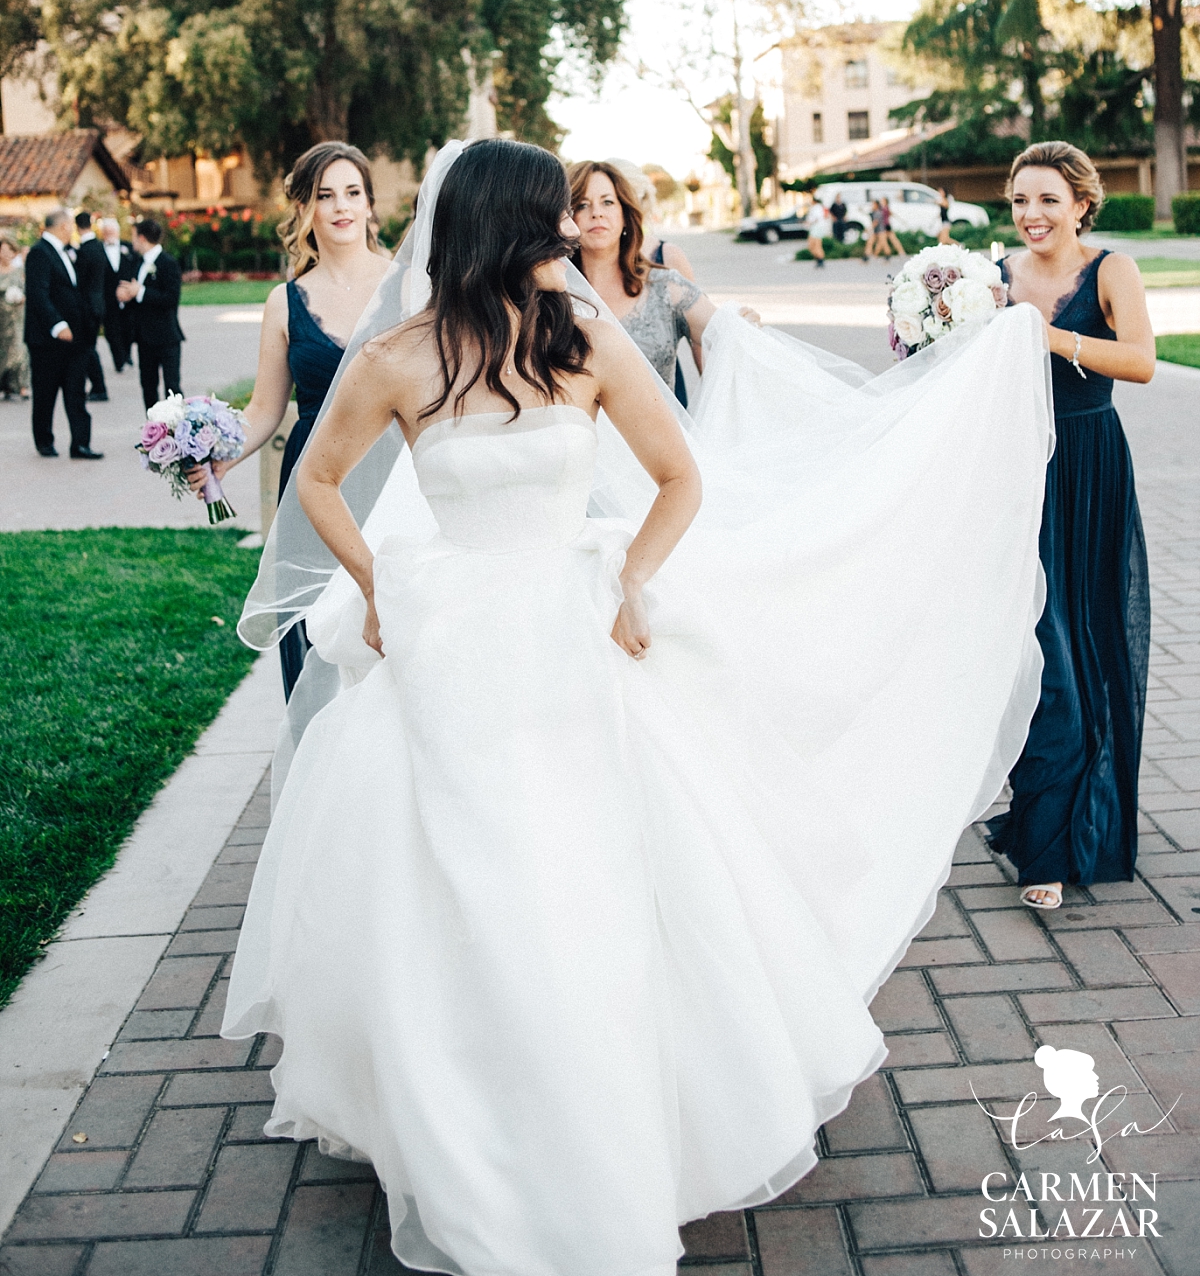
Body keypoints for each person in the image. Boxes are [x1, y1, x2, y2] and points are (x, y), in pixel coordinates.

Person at [226, 138, 1055, 1276]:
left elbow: (681, 478)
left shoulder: (587, 343)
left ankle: (599, 1108)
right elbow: (317, 481)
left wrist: (630, 581)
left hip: (569, 635)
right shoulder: (399, 360)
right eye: (547, 216)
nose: (567, 232)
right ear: (503, 224)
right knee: (449, 870)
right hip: (450, 637)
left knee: (588, 868)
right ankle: (466, 1112)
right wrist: (378, 585)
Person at [987, 142, 1154, 911]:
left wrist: (1048, 337)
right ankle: (1044, 845)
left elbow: (1145, 363)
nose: (1032, 214)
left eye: (1048, 199)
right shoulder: (994, 277)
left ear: (1081, 203)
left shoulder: (1110, 269)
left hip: (1090, 464)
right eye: (1021, 199)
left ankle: (1092, 823)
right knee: (1045, 648)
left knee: (1092, 640)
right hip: (1023, 468)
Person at [186, 142, 392, 696]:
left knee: (394, 624)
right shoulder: (285, 301)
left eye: (353, 193)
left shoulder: (409, 288)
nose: (341, 207)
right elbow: (264, 408)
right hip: (312, 482)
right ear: (305, 208)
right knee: (316, 634)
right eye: (325, 196)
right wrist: (218, 460)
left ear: (371, 205)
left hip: (395, 475)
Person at [567, 159, 721, 396]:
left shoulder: (665, 285)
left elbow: (719, 339)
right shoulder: (552, 293)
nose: (596, 213)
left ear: (625, 214)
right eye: (582, 205)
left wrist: (738, 323)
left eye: (607, 202)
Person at [22, 208, 102, 459]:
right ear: (63, 226)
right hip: (47, 340)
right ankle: (44, 441)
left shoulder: (66, 252)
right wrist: (58, 325)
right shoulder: (39, 253)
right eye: (70, 226)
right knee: (46, 392)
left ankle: (80, 444)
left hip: (74, 337)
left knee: (75, 391)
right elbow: (38, 294)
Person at [118, 217, 185, 410]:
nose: (132, 242)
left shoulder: (168, 263)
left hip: (166, 336)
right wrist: (126, 296)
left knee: (172, 387)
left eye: (134, 237)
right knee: (148, 385)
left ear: (142, 238)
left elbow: (171, 298)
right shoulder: (137, 262)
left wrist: (141, 292)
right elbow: (134, 294)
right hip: (144, 336)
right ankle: (152, 429)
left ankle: (178, 429)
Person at [74, 211, 110, 400]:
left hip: (87, 306)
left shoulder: (84, 251)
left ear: (77, 227)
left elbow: (80, 281)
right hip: (98, 302)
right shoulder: (99, 247)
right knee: (90, 346)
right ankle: (98, 386)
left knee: (87, 348)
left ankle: (99, 386)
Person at [99, 217, 136, 372]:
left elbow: (135, 268)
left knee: (128, 328)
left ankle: (127, 354)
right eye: (106, 232)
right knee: (111, 330)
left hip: (128, 296)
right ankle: (118, 359)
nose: (109, 234)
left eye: (111, 231)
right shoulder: (99, 250)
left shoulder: (128, 248)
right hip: (108, 298)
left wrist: (129, 290)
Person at [0, 234, 29, 400]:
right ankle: (6, 386)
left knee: (19, 348)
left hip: (17, 315)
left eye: (9, 250)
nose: (6, 254)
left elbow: (28, 289)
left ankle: (22, 385)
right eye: (3, 250)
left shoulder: (20, 270)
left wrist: (21, 297)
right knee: (3, 351)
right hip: (1, 316)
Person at [801, 190, 827, 267]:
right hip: (815, 228)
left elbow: (816, 218)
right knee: (812, 245)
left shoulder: (817, 207)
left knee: (816, 245)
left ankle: (820, 259)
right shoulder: (817, 207)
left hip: (816, 228)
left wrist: (808, 223)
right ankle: (819, 259)